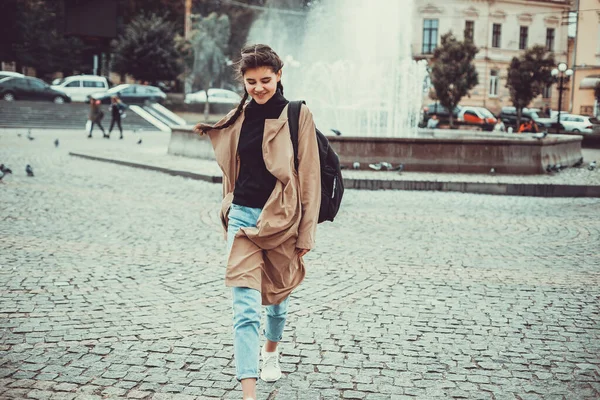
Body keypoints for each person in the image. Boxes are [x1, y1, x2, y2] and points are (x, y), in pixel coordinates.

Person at [193, 44, 321, 400]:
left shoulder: (297, 115)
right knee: (245, 309)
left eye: (265, 79)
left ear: (279, 76)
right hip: (244, 219)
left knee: (278, 298)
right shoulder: (241, 115)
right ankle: (248, 393)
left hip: (282, 221)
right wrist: (228, 207)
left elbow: (309, 176)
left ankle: (271, 350)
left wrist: (305, 232)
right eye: (251, 82)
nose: (259, 87)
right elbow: (232, 170)